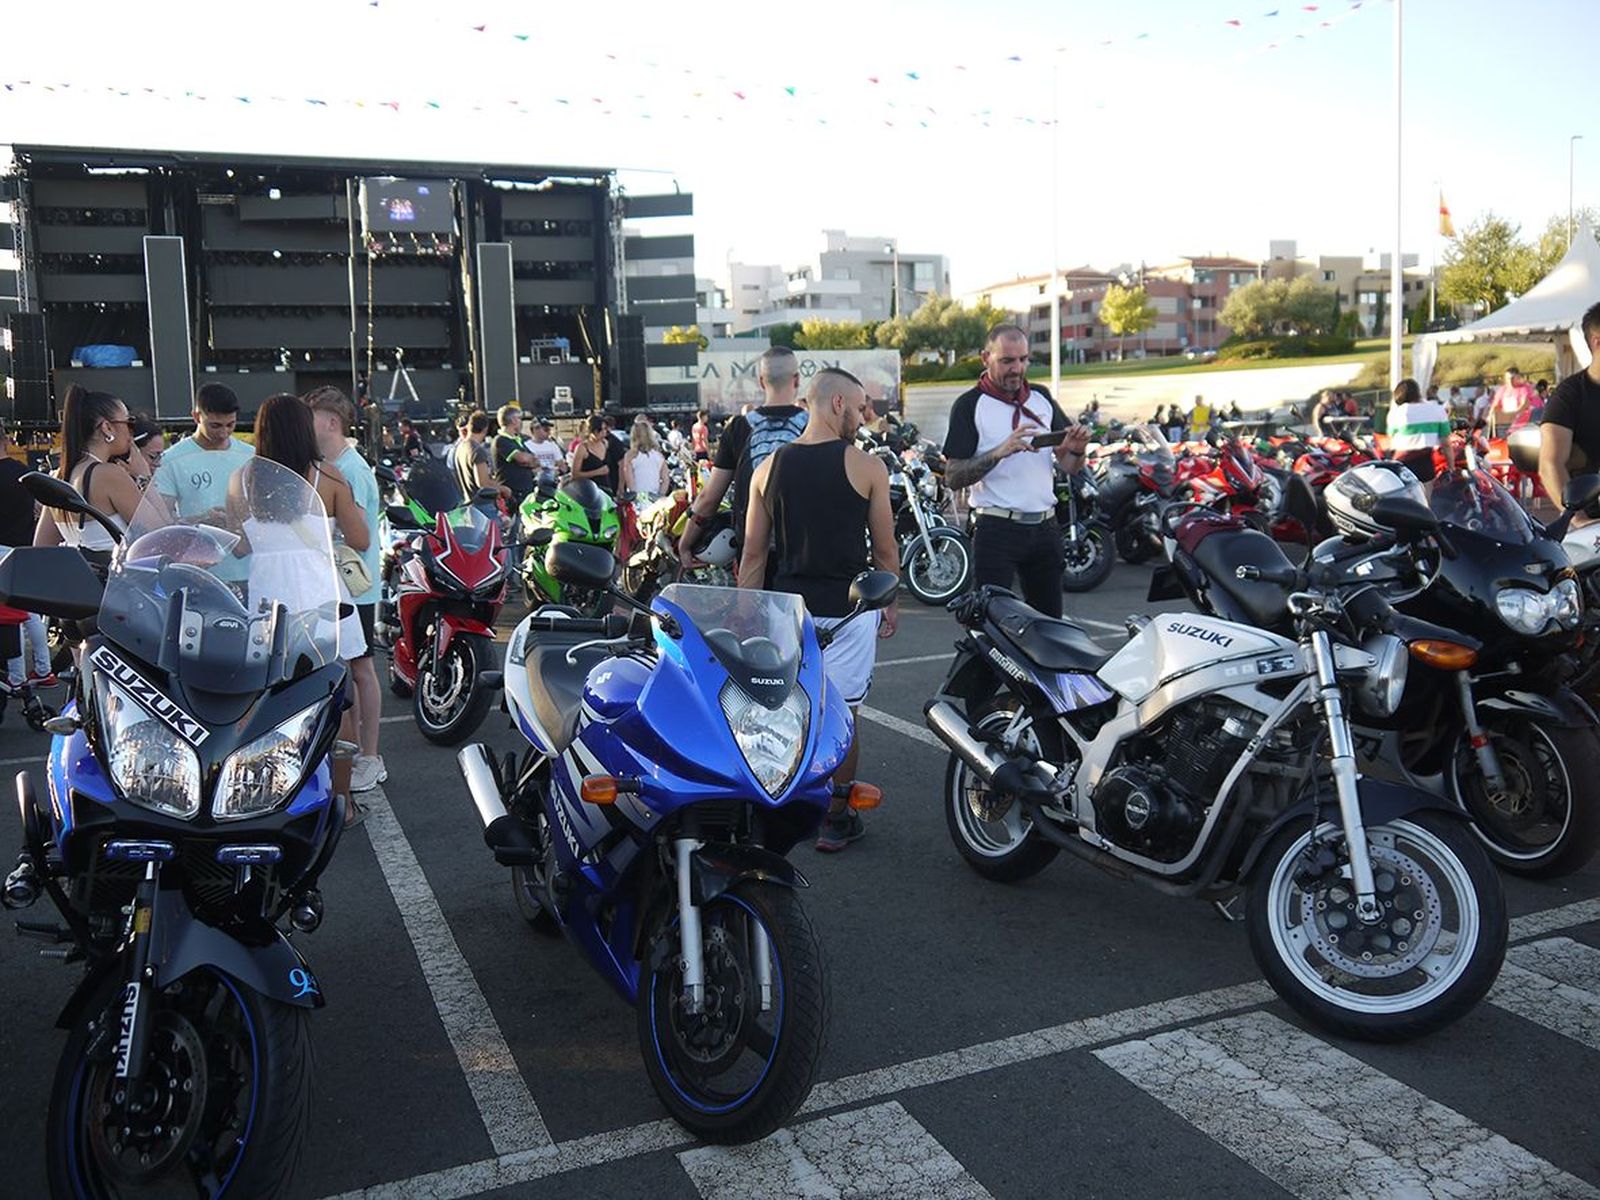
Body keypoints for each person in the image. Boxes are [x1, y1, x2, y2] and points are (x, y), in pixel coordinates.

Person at [738, 368, 899, 853]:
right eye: (859, 405)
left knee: (784, 708)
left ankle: (778, 799)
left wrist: (748, 614)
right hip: (849, 610)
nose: (862, 416)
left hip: (788, 610)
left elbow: (753, 555)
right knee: (843, 712)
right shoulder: (867, 466)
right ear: (836, 404)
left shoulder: (768, 468)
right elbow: (886, 551)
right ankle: (837, 814)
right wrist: (888, 605)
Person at [942, 325, 1090, 619]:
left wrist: (1077, 449)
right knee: (992, 625)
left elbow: (1069, 467)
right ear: (986, 357)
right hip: (997, 529)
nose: (1017, 369)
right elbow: (953, 476)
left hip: (1045, 527)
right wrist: (999, 452)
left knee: (1050, 626)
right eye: (1007, 361)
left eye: (1023, 359)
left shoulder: (1040, 397)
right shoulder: (969, 405)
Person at [305, 387, 386, 794]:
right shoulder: (332, 466)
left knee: (361, 670)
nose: (307, 425)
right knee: (352, 671)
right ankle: (356, 754)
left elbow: (361, 538)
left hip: (357, 586)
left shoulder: (349, 470)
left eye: (312, 417)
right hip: (343, 584)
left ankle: (369, 757)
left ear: (331, 422)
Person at [681, 347, 808, 575]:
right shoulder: (815, 427)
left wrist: (686, 541)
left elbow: (710, 497)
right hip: (805, 555)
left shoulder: (738, 428)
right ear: (797, 380)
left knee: (752, 610)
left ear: (761, 382)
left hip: (752, 554)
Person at [33, 385, 150, 573]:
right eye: (129, 422)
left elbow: (41, 547)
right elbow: (159, 534)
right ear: (107, 427)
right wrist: (145, 476)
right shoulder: (108, 475)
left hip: (77, 590)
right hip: (113, 592)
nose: (132, 433)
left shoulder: (60, 475)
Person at [0, 420, 53, 687]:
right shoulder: (25, 474)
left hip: (0, 551)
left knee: (8, 619)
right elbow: (39, 510)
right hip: (24, 548)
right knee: (30, 614)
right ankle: (44, 670)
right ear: (6, 442)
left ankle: (17, 675)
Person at [153, 383, 254, 521]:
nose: (223, 433)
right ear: (196, 417)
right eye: (215, 426)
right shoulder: (170, 460)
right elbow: (162, 519)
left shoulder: (250, 455)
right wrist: (202, 519)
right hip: (198, 539)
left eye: (230, 425)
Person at [1539, 301, 1600, 518]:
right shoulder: (1569, 396)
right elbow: (1550, 464)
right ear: (1597, 342)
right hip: (1594, 525)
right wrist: (1579, 521)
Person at [1384, 377, 1453, 482]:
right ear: (1418, 393)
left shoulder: (1396, 413)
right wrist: (1451, 467)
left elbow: (1389, 442)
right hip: (1426, 464)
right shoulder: (1438, 410)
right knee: (1425, 496)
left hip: (1402, 465)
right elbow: (1446, 444)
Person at [452, 410, 506, 510]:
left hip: (467, 505)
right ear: (485, 429)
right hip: (483, 507)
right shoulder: (477, 451)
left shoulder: (460, 448)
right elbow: (483, 483)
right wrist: (504, 489)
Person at [492, 405, 539, 508]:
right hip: (513, 495)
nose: (521, 422)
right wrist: (526, 459)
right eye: (519, 418)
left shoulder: (519, 440)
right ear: (513, 420)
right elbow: (522, 458)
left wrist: (529, 460)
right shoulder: (501, 440)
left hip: (526, 493)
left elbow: (535, 461)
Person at [622, 415, 670, 502]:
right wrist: (660, 495)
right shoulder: (659, 456)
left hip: (638, 499)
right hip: (655, 499)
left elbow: (630, 482)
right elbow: (665, 479)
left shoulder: (630, 456)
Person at [1491, 367, 1538, 436]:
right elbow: (1495, 406)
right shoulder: (1502, 390)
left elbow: (1523, 406)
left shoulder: (1524, 389)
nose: (1510, 381)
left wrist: (1511, 415)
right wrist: (1491, 415)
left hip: (1520, 424)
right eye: (1508, 379)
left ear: (1518, 377)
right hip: (1504, 424)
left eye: (1512, 378)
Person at [572, 416, 614, 490]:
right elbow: (575, 474)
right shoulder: (582, 448)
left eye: (605, 429)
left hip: (606, 488)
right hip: (589, 490)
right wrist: (597, 472)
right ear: (593, 431)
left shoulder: (605, 443)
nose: (604, 432)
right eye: (601, 430)